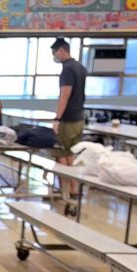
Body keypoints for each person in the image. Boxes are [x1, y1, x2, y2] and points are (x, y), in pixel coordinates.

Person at [50, 37, 87, 202]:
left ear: (62, 50)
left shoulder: (67, 69)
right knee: (71, 154)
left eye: (55, 52)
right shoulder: (80, 67)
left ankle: (64, 189)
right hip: (79, 118)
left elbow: (64, 95)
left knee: (61, 154)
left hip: (68, 119)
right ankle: (73, 188)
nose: (54, 56)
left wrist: (57, 118)